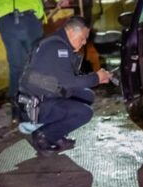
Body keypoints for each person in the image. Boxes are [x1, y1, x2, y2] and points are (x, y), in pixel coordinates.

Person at [18, 17, 112, 155]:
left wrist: (97, 79)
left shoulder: (57, 43)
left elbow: (63, 81)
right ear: (72, 31)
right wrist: (96, 77)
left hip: (41, 96)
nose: (85, 42)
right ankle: (44, 135)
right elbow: (68, 82)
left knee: (87, 95)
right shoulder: (57, 48)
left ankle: (56, 130)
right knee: (85, 112)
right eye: (83, 37)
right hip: (34, 105)